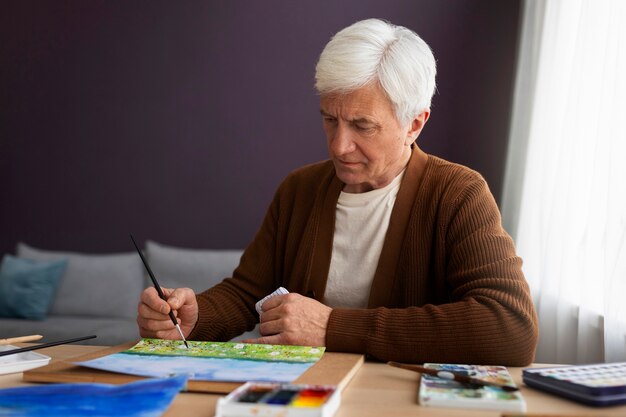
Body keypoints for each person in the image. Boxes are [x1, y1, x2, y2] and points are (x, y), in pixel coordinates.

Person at [136, 18, 538, 366]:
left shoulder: (458, 194)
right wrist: (194, 317)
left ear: (414, 124)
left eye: (362, 126)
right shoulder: (300, 190)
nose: (338, 145)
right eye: (330, 119)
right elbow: (248, 295)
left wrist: (331, 326)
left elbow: (511, 329)